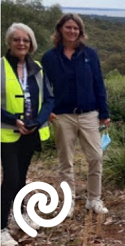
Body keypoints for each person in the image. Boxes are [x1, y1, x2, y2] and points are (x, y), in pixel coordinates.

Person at [41, 13, 111, 217]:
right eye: (68, 27)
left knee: (96, 157)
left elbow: (99, 84)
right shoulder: (50, 58)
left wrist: (104, 113)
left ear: (81, 32)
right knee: (66, 162)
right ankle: (68, 202)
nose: (72, 31)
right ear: (60, 29)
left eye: (76, 28)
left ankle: (94, 199)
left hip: (89, 114)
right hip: (63, 116)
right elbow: (44, 88)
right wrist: (48, 111)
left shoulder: (90, 55)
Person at [1, 23, 54, 246]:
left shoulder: (38, 68)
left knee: (22, 176)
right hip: (7, 133)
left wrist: (38, 121)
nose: (21, 43)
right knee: (11, 178)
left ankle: (21, 215)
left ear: (31, 44)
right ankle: (2, 227)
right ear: (9, 43)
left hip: (31, 132)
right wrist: (15, 120)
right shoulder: (1, 67)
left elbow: (50, 99)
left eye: (25, 40)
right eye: (16, 39)